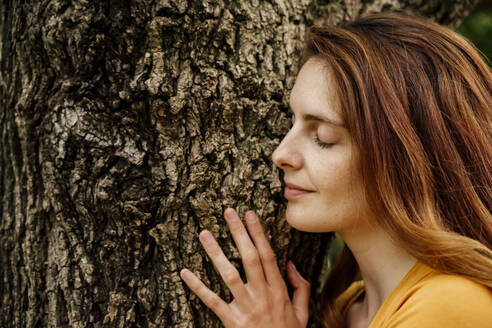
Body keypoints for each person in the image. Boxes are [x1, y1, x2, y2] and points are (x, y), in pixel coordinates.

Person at [180, 12, 492, 327]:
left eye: (323, 137)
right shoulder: (349, 305)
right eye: (292, 123)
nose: (281, 154)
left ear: (406, 157)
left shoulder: (450, 306)